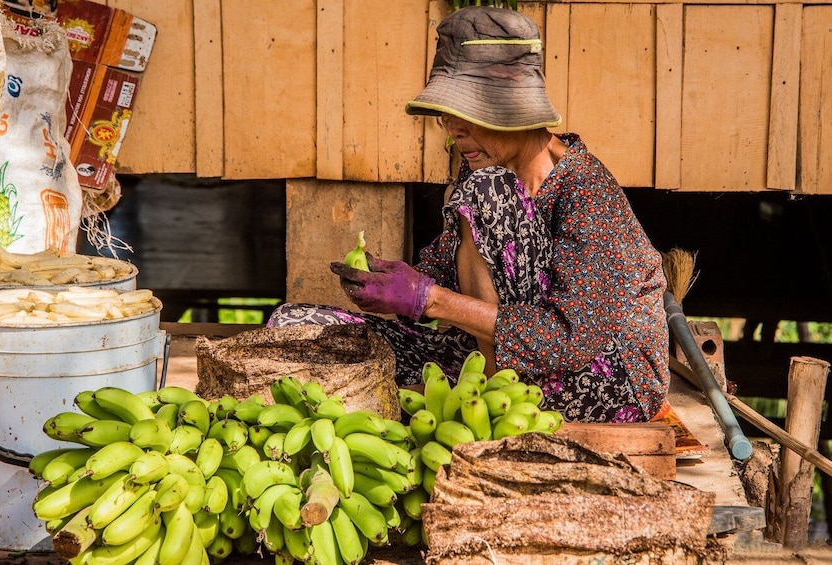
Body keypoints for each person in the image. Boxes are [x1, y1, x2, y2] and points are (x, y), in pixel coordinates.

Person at [268, 5, 669, 423]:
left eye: (466, 114)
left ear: (514, 107)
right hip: (489, 351)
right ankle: (447, 398)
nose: (453, 130)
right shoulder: (479, 166)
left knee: (486, 189)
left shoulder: (585, 189)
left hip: (602, 376)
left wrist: (430, 299)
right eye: (447, 115)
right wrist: (397, 287)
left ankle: (472, 401)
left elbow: (568, 341)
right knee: (294, 328)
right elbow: (448, 269)